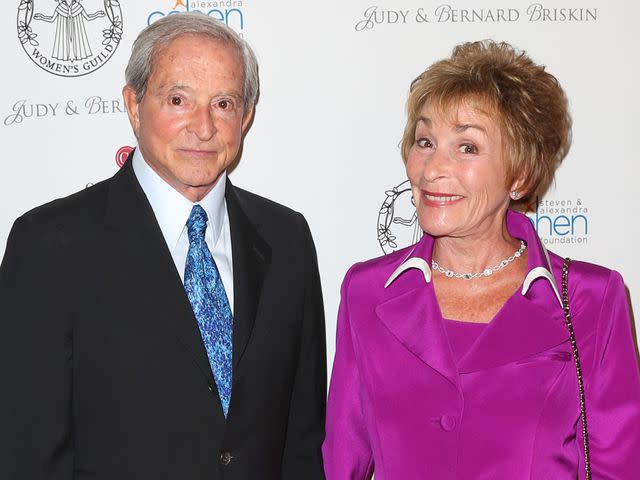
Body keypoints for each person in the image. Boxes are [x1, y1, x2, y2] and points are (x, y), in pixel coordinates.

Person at [0, 13, 326, 480]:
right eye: (178, 100)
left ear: (246, 116)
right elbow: (25, 451)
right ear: (134, 106)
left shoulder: (287, 239)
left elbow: (302, 441)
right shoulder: (50, 246)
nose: (204, 127)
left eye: (224, 103)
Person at [323, 40, 640, 479]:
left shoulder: (592, 299)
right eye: (425, 141)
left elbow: (619, 468)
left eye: (467, 147)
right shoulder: (367, 292)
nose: (433, 168)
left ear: (520, 174)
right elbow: (342, 462)